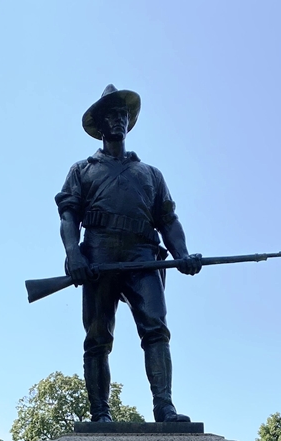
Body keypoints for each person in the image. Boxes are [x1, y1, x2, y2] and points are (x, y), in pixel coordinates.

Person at [55, 85, 202, 422]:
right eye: (111, 116)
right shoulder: (83, 170)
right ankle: (100, 413)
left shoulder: (150, 174)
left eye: (123, 115)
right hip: (98, 259)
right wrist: (73, 255)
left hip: (143, 258)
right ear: (100, 125)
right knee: (97, 338)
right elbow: (68, 217)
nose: (119, 121)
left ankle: (164, 407)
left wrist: (184, 255)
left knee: (156, 330)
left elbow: (168, 220)